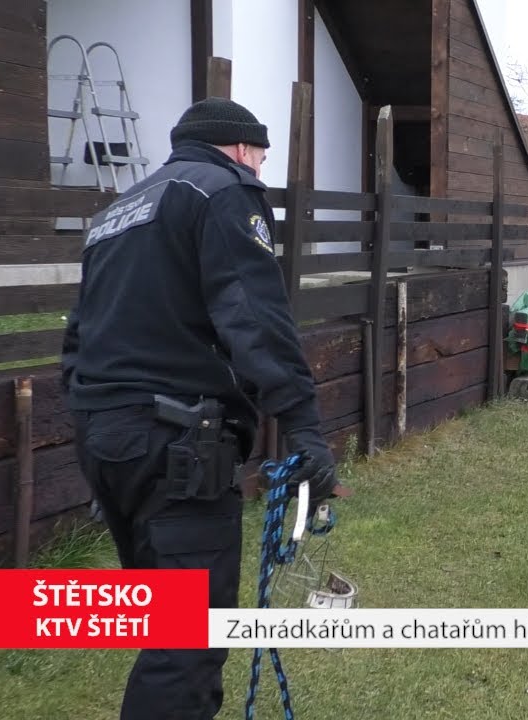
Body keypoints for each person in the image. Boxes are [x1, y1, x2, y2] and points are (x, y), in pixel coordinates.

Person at [60, 97, 342, 718]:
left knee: (166, 621)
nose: (260, 173)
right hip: (177, 444)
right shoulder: (222, 190)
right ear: (241, 148)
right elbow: (254, 318)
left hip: (107, 438)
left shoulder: (117, 211)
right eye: (261, 159)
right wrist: (302, 428)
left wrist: (97, 423)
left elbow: (78, 337)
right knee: (188, 640)